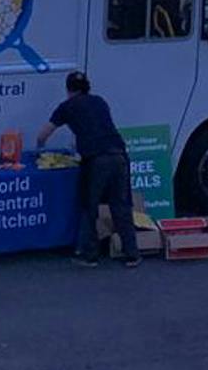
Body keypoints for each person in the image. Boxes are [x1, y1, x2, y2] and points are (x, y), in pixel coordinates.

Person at [37, 71, 139, 268]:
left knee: (89, 207)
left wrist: (39, 149)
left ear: (68, 89)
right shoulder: (100, 101)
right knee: (121, 206)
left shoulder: (67, 106)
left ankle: (89, 255)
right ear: (87, 87)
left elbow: (44, 134)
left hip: (96, 160)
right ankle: (132, 254)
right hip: (119, 156)